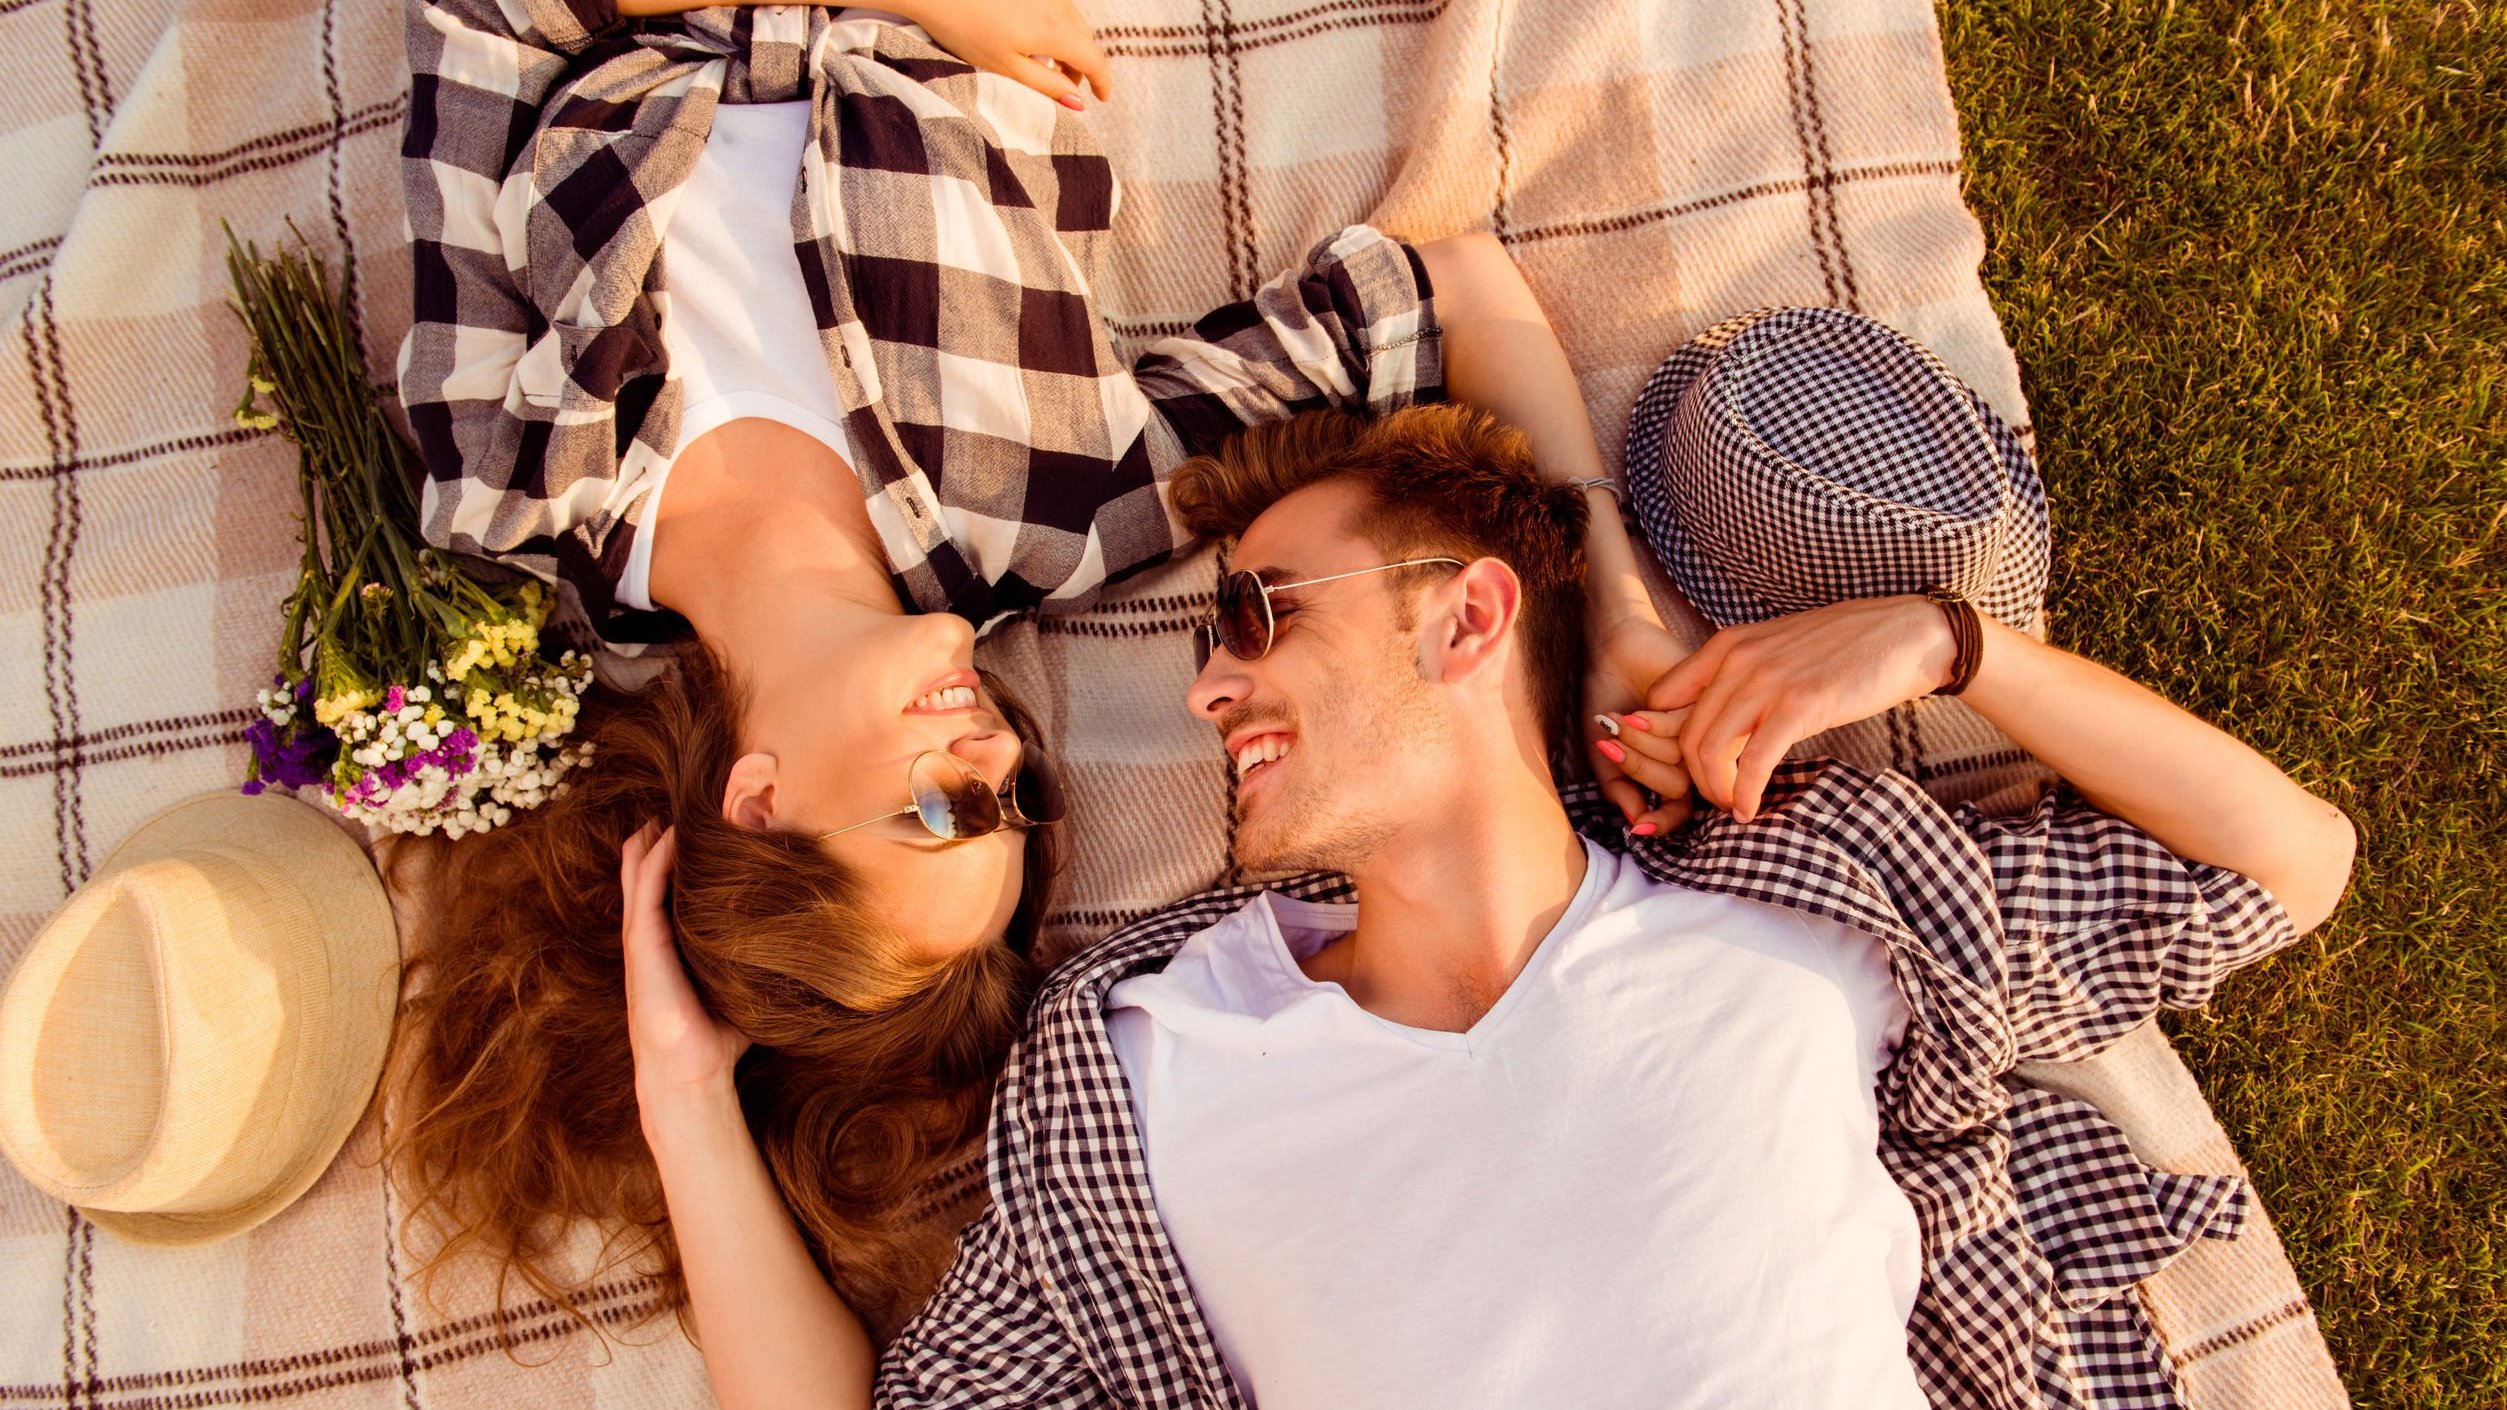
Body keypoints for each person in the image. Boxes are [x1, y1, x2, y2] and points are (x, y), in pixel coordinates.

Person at [619, 389, 2353, 1405]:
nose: (1211, 690)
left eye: (1258, 616)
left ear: (1467, 621)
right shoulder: (1138, 1071)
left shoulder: (1803, 913)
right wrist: (689, 1093)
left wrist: (1952, 643)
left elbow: (2288, 862)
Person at [387, 0, 1683, 1337]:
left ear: (759, 800)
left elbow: (488, 23)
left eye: (943, 809)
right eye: (1017, 800)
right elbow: (1447, 293)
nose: (995, 755)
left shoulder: (505, 495)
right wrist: (1610, 604)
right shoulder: (1050, 511)